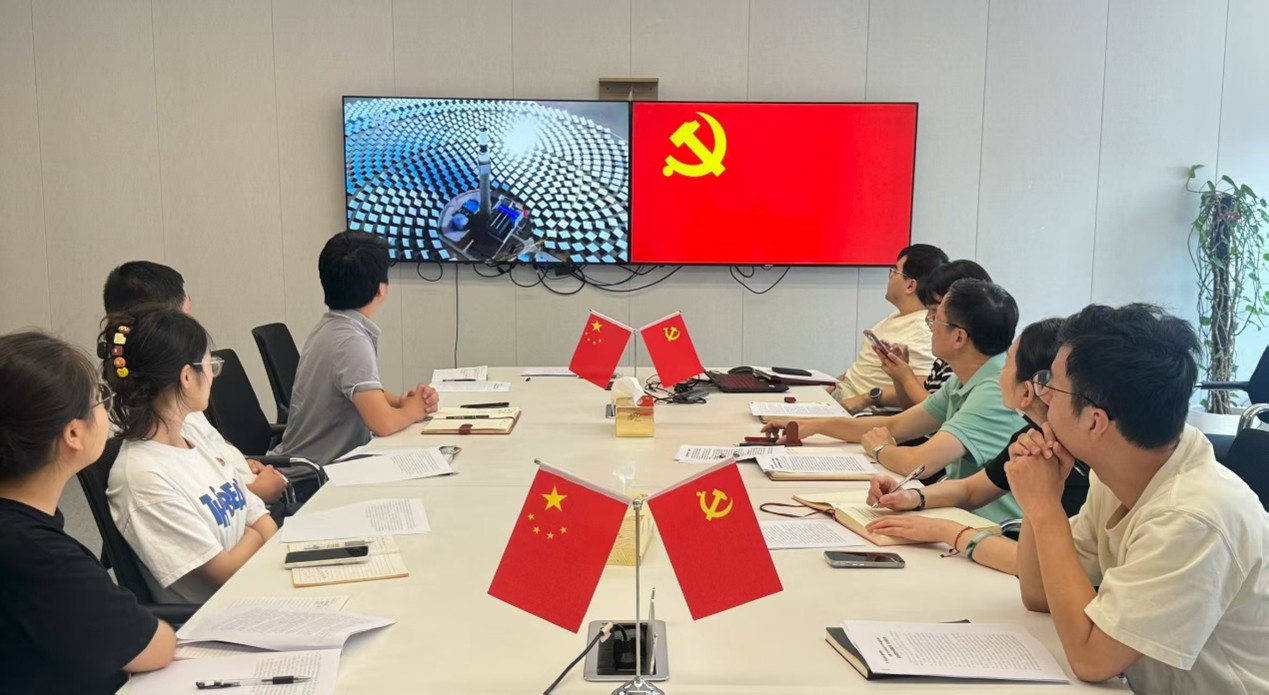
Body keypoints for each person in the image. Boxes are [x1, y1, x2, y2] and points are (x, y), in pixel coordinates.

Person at [1007, 304, 1269, 690]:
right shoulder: (1122, 472)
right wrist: (1041, 499)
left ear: (1095, 421)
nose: (1042, 395)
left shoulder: (1192, 515)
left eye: (1052, 384)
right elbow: (1038, 593)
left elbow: (1092, 659)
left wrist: (1046, 509)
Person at [0, 331, 175, 692]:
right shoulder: (38, 556)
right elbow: (154, 648)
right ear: (73, 434)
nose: (107, 409)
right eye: (100, 399)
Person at [765, 279, 1024, 522]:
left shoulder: (994, 391)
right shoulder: (967, 376)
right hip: (962, 516)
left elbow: (918, 463)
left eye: (935, 319)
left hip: (994, 528)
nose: (930, 326)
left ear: (959, 337)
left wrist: (880, 448)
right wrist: (813, 425)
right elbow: (897, 426)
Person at [862, 318, 1091, 575]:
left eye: (1006, 364)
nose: (998, 373)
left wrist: (944, 530)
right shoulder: (1032, 435)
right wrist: (912, 497)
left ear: (1030, 391)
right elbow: (971, 489)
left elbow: (1035, 566)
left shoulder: (1076, 461)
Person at [103, 306, 277, 603]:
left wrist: (255, 536)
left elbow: (263, 519)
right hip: (224, 616)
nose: (212, 376)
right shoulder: (142, 476)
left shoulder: (193, 437)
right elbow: (227, 572)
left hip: (261, 588)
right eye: (210, 366)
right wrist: (255, 536)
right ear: (187, 376)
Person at [100, 261, 287, 505]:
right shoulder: (155, 416)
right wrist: (255, 495)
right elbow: (199, 500)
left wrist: (239, 462)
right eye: (186, 315)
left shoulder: (170, 399)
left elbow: (211, 447)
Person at [273, 231, 439, 465]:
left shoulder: (330, 326)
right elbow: (384, 424)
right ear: (381, 289)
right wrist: (415, 410)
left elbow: (359, 390)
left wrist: (401, 401)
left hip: (311, 461)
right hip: (318, 474)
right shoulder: (351, 342)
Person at [840, 260, 992, 414]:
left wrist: (905, 377)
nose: (928, 320)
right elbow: (913, 411)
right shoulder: (946, 363)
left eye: (935, 311)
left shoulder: (976, 374)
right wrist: (899, 375)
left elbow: (935, 415)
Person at [827, 244, 948, 404]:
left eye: (894, 271)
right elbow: (861, 371)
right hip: (842, 396)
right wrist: (831, 386)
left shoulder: (923, 330)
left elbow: (922, 388)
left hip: (862, 408)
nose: (890, 277)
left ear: (910, 285)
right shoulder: (899, 315)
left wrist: (867, 398)